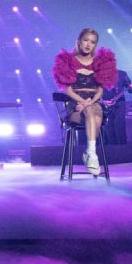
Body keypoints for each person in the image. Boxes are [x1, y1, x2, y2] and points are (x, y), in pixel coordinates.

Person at [53, 28, 117, 175]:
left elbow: (100, 90)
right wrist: (82, 102)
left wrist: (89, 102)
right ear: (79, 41)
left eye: (93, 42)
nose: (88, 44)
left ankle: (90, 153)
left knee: (93, 111)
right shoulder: (68, 61)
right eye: (86, 40)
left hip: (93, 102)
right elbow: (68, 90)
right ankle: (91, 154)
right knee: (92, 113)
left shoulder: (100, 62)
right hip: (76, 105)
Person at [101, 69, 132, 145]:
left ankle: (122, 148)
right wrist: (102, 101)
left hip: (120, 102)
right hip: (105, 105)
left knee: (119, 124)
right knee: (108, 128)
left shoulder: (122, 74)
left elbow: (130, 89)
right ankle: (111, 148)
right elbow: (94, 90)